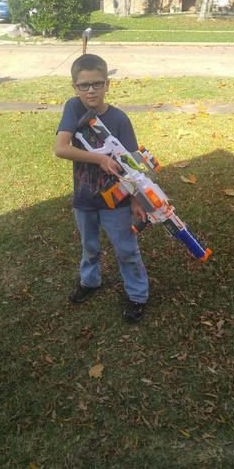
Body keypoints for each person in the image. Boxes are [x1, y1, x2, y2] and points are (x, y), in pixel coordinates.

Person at [55, 54, 149, 323]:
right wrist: (100, 159)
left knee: (126, 250)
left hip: (116, 200)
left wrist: (136, 199)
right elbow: (61, 148)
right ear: (74, 87)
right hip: (84, 198)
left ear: (108, 84)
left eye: (97, 83)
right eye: (83, 85)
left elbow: (132, 164)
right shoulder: (74, 108)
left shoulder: (119, 119)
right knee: (90, 246)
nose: (91, 90)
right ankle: (90, 281)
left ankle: (137, 295)